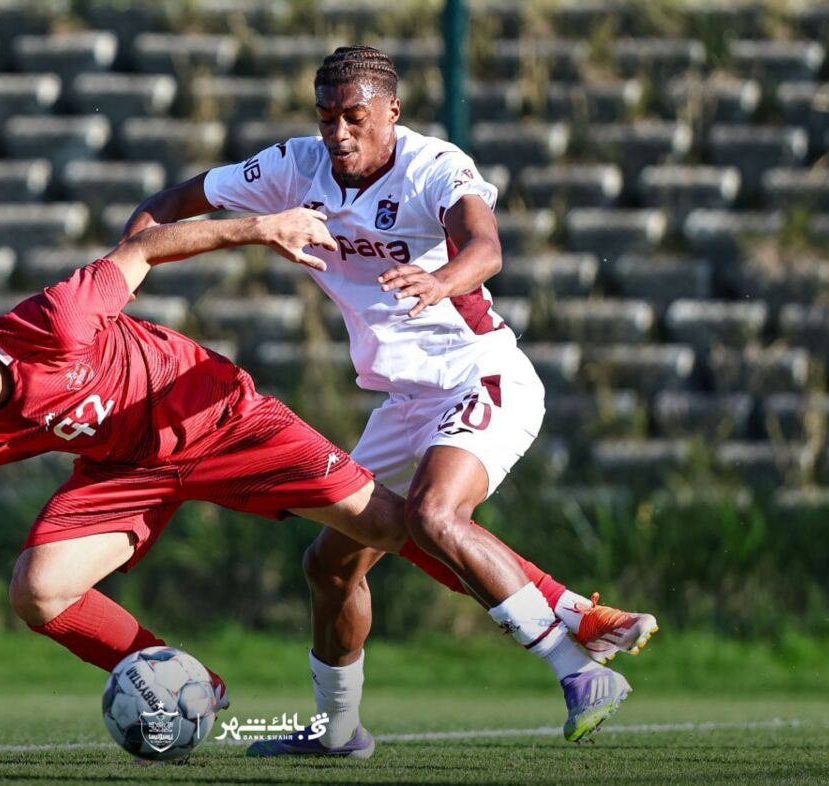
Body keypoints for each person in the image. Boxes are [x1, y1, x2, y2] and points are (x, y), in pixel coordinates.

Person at [0, 208, 608, 750]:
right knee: (37, 590)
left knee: (392, 526)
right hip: (127, 470)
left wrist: (264, 227)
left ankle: (572, 613)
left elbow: (142, 248)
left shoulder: (58, 322)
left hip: (219, 415)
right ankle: (190, 684)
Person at [125, 45, 658, 754]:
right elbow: (164, 208)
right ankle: (338, 731)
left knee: (433, 516)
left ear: (391, 112)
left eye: (354, 116)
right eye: (327, 118)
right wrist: (125, 271)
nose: (338, 133)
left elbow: (486, 248)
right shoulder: (294, 166)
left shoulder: (433, 165)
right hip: (403, 402)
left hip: (481, 378)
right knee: (329, 566)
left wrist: (442, 280)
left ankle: (579, 670)